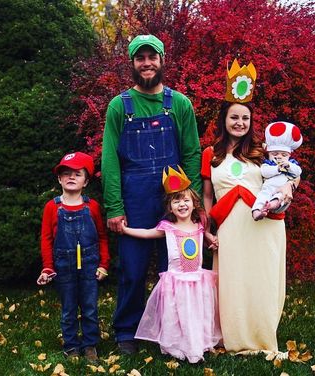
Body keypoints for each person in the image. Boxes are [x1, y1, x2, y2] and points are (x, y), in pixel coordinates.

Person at [101, 34, 202, 354]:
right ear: (132, 63)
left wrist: (194, 203)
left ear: (162, 60)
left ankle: (173, 330)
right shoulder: (120, 106)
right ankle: (126, 332)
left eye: (152, 57)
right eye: (140, 58)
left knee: (178, 269)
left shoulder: (179, 104)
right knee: (132, 269)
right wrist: (115, 206)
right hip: (134, 198)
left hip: (175, 200)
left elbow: (192, 154)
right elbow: (109, 160)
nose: (147, 63)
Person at [201, 59, 299, 354]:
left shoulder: (263, 153)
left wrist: (289, 188)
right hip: (230, 226)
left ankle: (262, 336)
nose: (240, 123)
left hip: (264, 225)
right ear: (224, 120)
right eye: (234, 117)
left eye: (245, 118)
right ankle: (235, 337)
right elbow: (207, 196)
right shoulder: (210, 154)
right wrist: (207, 228)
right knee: (234, 283)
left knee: (262, 280)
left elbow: (290, 176)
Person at [121, 165, 221, 363]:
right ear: (170, 207)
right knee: (176, 315)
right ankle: (177, 346)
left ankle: (197, 343)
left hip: (197, 281)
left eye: (186, 200)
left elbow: (208, 237)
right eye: (177, 201)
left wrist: (212, 239)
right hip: (176, 280)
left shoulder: (199, 227)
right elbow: (148, 233)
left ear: (194, 203)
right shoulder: (168, 227)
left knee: (197, 313)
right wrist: (126, 230)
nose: (182, 205)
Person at [37, 152, 110, 363]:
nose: (71, 177)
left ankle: (89, 346)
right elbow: (46, 239)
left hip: (89, 265)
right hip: (63, 266)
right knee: (68, 309)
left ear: (85, 181)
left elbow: (103, 237)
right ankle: (71, 346)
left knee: (89, 308)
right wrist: (48, 267)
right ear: (59, 179)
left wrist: (104, 264)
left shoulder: (92, 207)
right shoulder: (52, 207)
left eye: (77, 174)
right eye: (66, 173)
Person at [252, 121, 303, 221]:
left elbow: (298, 172)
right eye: (275, 154)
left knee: (279, 197)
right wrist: (277, 169)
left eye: (284, 155)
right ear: (269, 154)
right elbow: (264, 172)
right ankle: (256, 212)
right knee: (262, 197)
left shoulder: (291, 164)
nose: (279, 157)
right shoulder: (268, 164)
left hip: (282, 188)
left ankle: (271, 205)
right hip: (268, 187)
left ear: (289, 155)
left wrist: (289, 166)